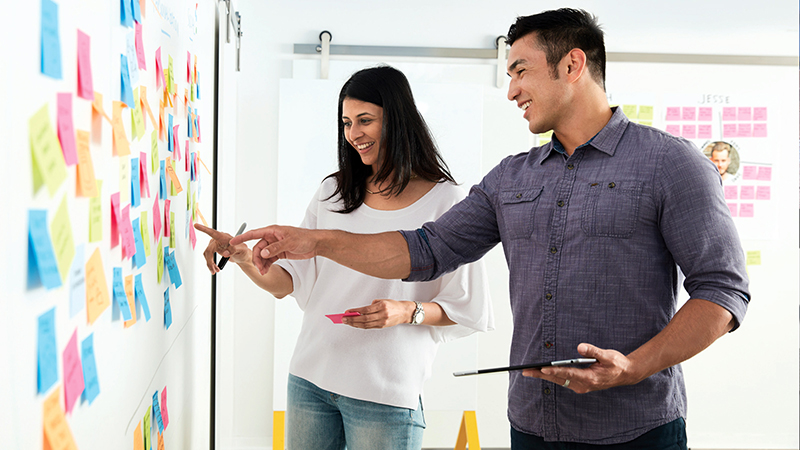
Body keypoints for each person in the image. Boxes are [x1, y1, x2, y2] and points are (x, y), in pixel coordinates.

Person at [232, 9, 750, 450]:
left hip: (635, 428)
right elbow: (425, 250)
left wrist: (634, 366)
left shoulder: (670, 164)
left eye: (520, 71)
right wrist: (315, 240)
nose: (511, 90)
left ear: (573, 64)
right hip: (529, 425)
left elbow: (723, 291)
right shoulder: (510, 178)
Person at [196, 65, 493, 450]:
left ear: (398, 119)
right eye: (347, 123)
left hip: (385, 394)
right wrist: (242, 257)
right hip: (310, 380)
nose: (354, 135)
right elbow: (288, 282)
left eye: (365, 120)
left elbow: (466, 306)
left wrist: (406, 312)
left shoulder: (448, 201)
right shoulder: (333, 192)